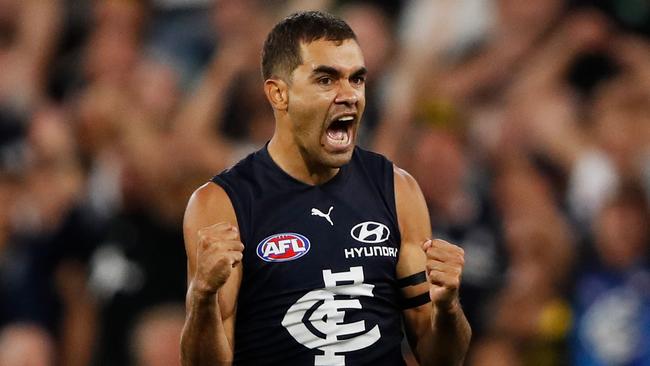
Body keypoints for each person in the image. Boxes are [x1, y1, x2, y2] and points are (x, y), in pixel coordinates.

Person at [180, 10, 471, 366]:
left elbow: (442, 358)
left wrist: (449, 307)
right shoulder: (222, 204)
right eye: (326, 80)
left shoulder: (398, 190)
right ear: (278, 94)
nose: (349, 95)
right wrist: (204, 298)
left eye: (357, 79)